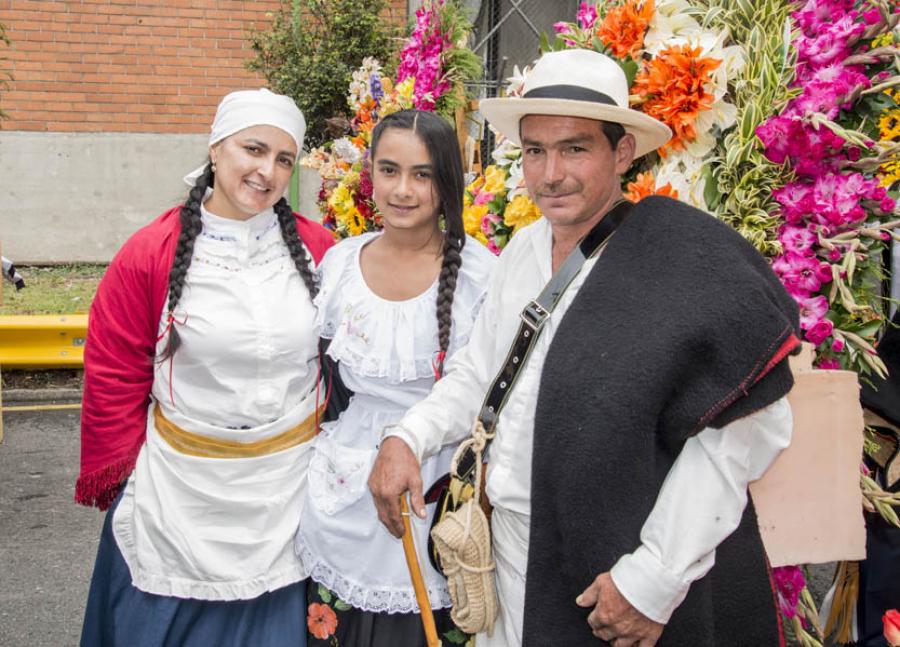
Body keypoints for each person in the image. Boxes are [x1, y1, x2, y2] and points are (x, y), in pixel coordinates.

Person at [369, 49, 801, 646]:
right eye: (536, 152)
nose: (551, 175)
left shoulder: (681, 259)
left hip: (613, 570)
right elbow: (480, 371)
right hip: (512, 551)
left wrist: (654, 576)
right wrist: (407, 436)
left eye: (575, 148)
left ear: (621, 152)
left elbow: (748, 431)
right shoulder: (523, 250)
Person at [76, 88, 334, 647]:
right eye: (254, 149)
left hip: (288, 494)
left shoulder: (322, 252)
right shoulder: (149, 254)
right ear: (215, 149)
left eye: (284, 159)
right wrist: (126, 477)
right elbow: (115, 373)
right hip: (180, 495)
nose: (267, 171)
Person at [296, 109, 496, 646]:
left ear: (446, 180)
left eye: (422, 174)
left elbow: (482, 389)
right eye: (389, 170)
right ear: (371, 175)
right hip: (344, 487)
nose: (402, 190)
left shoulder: (481, 276)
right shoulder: (339, 265)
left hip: (441, 484)